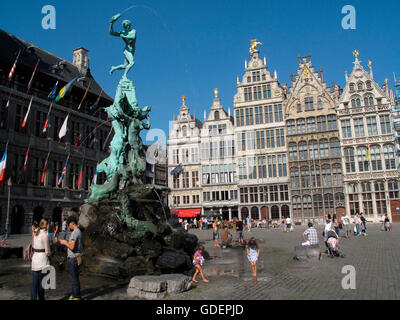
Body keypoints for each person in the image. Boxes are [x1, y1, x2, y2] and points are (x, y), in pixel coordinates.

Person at [59, 216, 82, 300]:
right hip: (75, 257)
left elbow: (71, 247)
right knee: (74, 277)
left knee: (74, 278)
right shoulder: (78, 231)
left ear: (72, 223)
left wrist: (65, 242)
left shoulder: (75, 232)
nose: (69, 226)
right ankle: (75, 294)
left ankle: (76, 297)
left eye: (69, 224)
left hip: (73, 258)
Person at [31, 219, 51, 300]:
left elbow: (33, 245)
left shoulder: (35, 232)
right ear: (46, 225)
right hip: (42, 260)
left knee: (34, 284)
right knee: (41, 284)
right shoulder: (45, 235)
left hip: (35, 259)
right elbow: (47, 251)